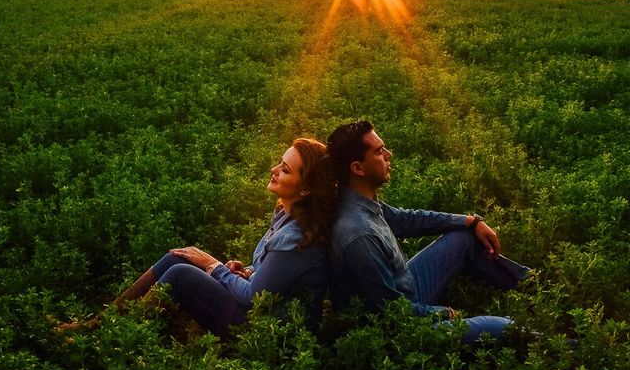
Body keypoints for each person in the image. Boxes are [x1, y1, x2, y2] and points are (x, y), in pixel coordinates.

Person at [58, 138, 335, 337]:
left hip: (267, 331)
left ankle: (114, 340)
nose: (274, 169)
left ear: (306, 189)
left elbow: (253, 298)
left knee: (182, 274)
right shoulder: (287, 214)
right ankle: (100, 324)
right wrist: (247, 271)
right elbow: (271, 277)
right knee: (176, 257)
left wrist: (212, 266)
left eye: (285, 169)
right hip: (260, 311)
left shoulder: (297, 236)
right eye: (280, 162)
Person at [326, 121, 530, 343]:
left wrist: (470, 221)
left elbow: (408, 220)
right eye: (379, 152)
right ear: (358, 168)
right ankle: (564, 345)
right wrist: (441, 312)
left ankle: (532, 286)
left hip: (406, 289)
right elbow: (391, 315)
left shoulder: (358, 202)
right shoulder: (360, 235)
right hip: (399, 332)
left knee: (464, 236)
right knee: (501, 327)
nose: (388, 154)